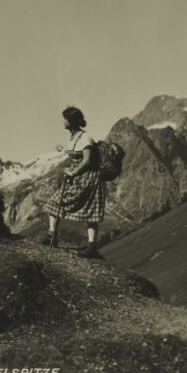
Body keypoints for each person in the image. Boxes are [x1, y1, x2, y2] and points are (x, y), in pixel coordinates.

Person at [42, 106, 106, 259]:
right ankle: (53, 237)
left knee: (90, 213)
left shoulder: (85, 137)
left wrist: (73, 172)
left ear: (70, 121)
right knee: (56, 202)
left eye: (65, 118)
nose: (62, 121)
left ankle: (90, 247)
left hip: (89, 179)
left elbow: (87, 160)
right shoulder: (73, 138)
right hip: (79, 179)